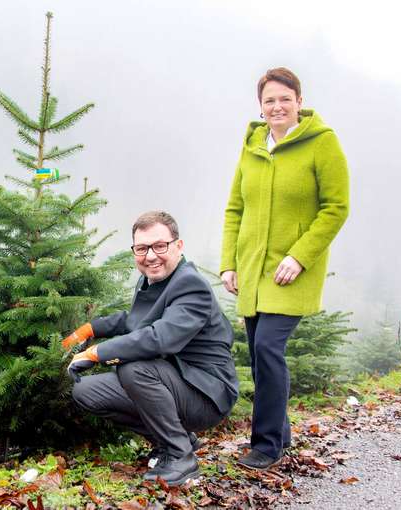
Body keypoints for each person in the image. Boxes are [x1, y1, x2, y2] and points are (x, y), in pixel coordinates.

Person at [220, 67, 349, 470]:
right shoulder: (252, 145)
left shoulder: (322, 144)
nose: (276, 106)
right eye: (269, 100)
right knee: (261, 357)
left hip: (291, 270)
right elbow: (235, 208)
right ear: (261, 106)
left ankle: (267, 445)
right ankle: (283, 433)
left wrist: (299, 255)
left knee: (266, 348)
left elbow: (336, 208)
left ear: (298, 101)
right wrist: (229, 263)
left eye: (284, 99)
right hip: (253, 271)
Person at [66, 211, 239, 486]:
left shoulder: (190, 285)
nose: (150, 256)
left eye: (160, 246)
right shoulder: (153, 278)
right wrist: (90, 329)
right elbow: (136, 320)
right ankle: (177, 439)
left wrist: (97, 353)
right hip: (175, 381)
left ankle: (181, 457)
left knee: (134, 366)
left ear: (178, 246)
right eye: (142, 248)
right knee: (86, 391)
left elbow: (160, 337)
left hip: (207, 393)